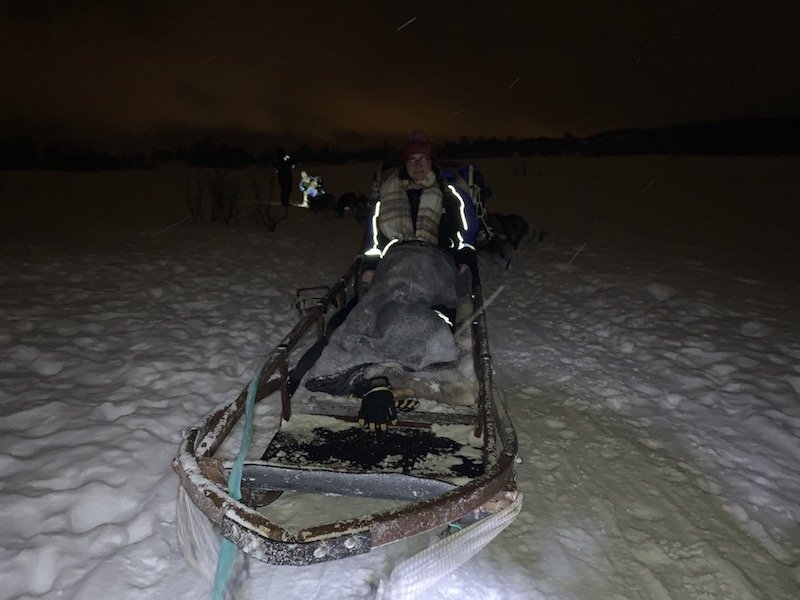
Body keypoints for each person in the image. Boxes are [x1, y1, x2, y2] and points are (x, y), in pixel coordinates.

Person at [361, 130, 479, 286]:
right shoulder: (387, 194)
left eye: (424, 158)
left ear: (432, 162)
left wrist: (464, 257)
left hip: (441, 261)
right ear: (405, 164)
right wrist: (371, 265)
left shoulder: (450, 194)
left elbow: (467, 230)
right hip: (395, 260)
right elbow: (373, 239)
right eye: (412, 159)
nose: (418, 165)